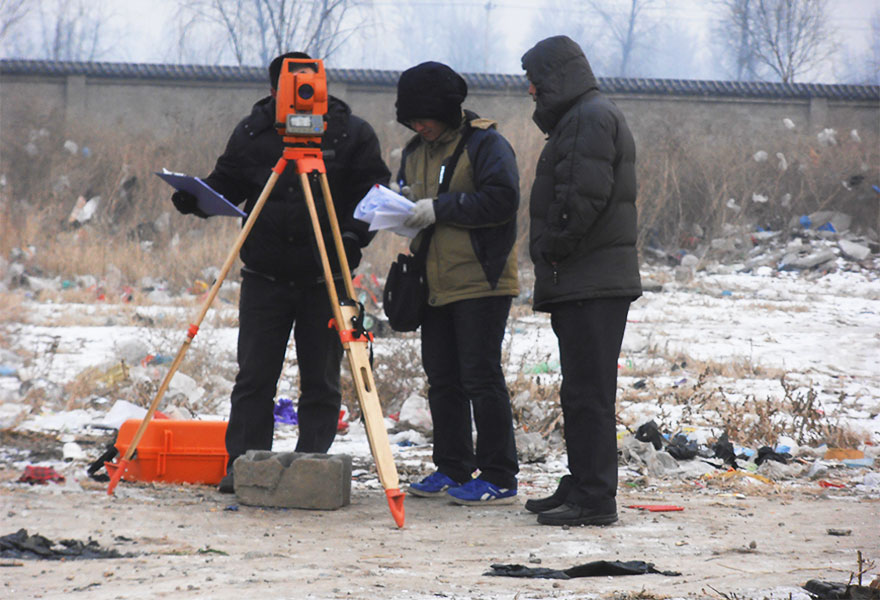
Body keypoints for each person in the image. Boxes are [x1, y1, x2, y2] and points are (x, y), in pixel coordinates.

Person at [170, 52, 391, 493]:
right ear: (273, 90)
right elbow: (227, 183)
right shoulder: (254, 131)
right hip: (264, 276)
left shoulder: (349, 133)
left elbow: (373, 195)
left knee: (321, 380)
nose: (298, 97)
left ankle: (312, 466)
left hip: (324, 278)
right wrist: (196, 199)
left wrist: (352, 237)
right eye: (288, 89)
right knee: (254, 377)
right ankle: (246, 466)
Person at [520, 36, 642, 526]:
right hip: (588, 279)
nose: (530, 90)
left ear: (555, 77)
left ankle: (594, 498)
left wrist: (552, 248)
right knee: (580, 391)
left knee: (589, 393)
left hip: (592, 280)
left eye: (534, 80)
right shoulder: (583, 115)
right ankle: (582, 481)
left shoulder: (588, 118)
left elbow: (580, 198)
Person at [394, 61, 521, 505]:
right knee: (442, 379)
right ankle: (452, 466)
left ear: (447, 111)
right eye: (411, 120)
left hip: (481, 281)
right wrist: (402, 207)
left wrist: (440, 208)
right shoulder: (414, 151)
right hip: (433, 282)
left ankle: (500, 475)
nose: (419, 126)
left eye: (425, 118)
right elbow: (410, 196)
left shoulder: (486, 144)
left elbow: (502, 200)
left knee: (480, 377)